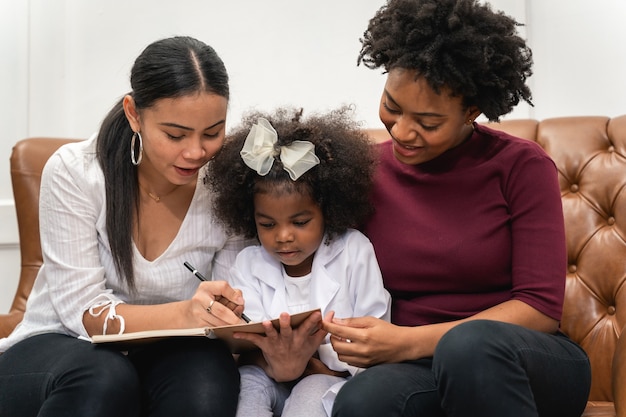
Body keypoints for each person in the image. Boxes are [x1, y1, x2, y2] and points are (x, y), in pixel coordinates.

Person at [322, 1, 592, 417]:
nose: (402, 131)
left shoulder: (521, 166)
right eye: (392, 107)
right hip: (419, 367)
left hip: (522, 359)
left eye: (428, 123)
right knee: (363, 402)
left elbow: (540, 310)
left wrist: (409, 341)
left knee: (470, 347)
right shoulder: (364, 171)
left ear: (472, 110)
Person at [0, 36, 252, 417]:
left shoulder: (227, 183)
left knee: (208, 373)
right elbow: (83, 314)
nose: (196, 152)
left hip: (169, 349)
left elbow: (231, 305)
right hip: (61, 344)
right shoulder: (76, 171)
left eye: (212, 132)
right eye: (175, 134)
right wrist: (184, 313)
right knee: (102, 376)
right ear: (134, 113)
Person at [206, 107, 391, 417]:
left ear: (327, 211)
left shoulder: (354, 252)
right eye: (267, 224)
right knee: (246, 395)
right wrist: (276, 364)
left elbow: (373, 339)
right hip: (264, 373)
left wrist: (307, 367)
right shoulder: (248, 262)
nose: (283, 237)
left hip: (328, 377)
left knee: (307, 402)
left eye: (300, 222)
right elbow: (243, 346)